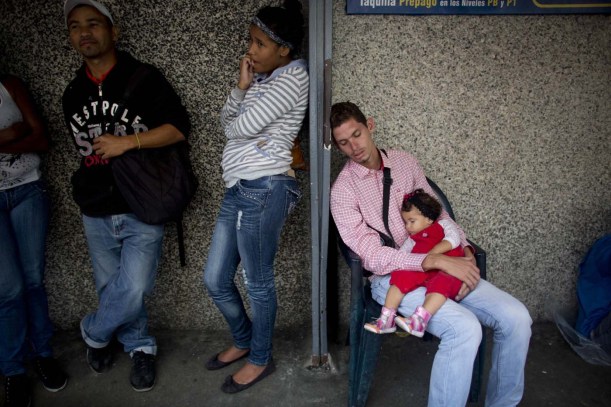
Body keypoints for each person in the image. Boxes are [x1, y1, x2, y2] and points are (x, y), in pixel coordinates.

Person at [330, 101, 532, 407]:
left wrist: (461, 250)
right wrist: (432, 260)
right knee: (464, 329)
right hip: (393, 280)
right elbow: (371, 255)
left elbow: (439, 214)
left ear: (369, 125)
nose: (354, 147)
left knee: (517, 317)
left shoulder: (405, 163)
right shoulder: (343, 191)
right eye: (344, 143)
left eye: (356, 134)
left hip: (441, 265)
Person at [62, 0, 190, 392]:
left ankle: (94, 331)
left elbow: (179, 128)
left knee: (132, 286)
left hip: (141, 204)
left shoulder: (144, 78)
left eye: (94, 24)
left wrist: (128, 143)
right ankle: (138, 346)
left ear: (113, 31)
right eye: (75, 26)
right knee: (111, 286)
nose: (85, 32)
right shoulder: (73, 92)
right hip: (95, 207)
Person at [203, 0, 308, 394]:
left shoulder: (294, 77)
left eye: (260, 44)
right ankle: (244, 337)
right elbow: (227, 122)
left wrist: (242, 116)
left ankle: (260, 358)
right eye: (250, 40)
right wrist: (242, 87)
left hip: (265, 188)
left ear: (284, 50)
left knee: (257, 281)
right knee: (214, 278)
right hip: (239, 188)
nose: (250, 50)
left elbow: (238, 126)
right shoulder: (263, 81)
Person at [0, 74, 68, 407]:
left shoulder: (8, 86)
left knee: (32, 281)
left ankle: (43, 354)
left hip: (27, 189)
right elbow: (24, 134)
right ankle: (13, 370)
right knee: (7, 289)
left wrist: (18, 137)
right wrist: (9, 136)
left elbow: (41, 139)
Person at [364, 189, 465, 337]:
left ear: (429, 219)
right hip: (424, 269)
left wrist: (432, 256)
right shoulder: (412, 240)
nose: (407, 227)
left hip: (448, 269)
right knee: (400, 276)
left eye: (412, 221)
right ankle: (387, 318)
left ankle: (419, 321)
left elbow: (453, 239)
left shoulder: (443, 225)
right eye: (406, 222)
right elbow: (403, 256)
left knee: (442, 284)